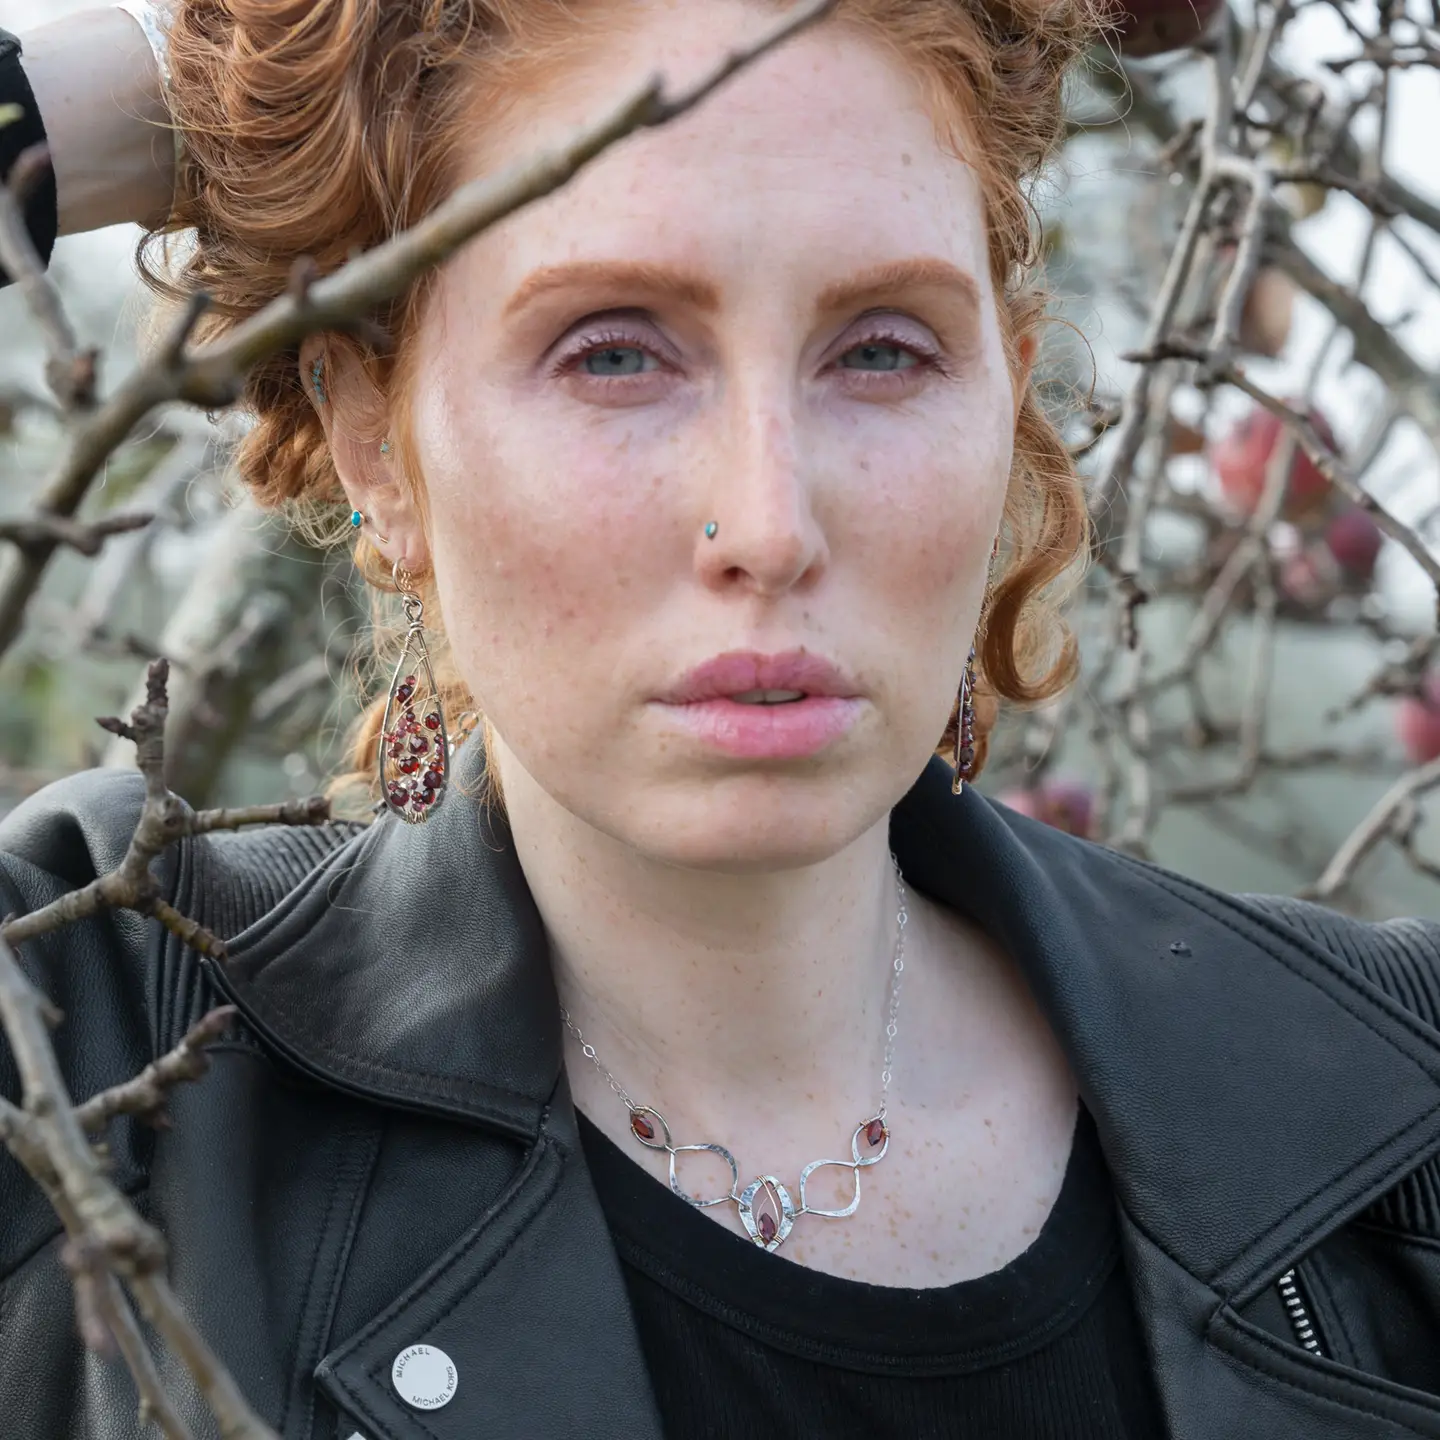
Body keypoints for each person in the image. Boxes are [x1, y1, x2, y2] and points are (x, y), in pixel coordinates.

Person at [1, 4, 1438, 1438]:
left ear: (1006, 389)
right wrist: (216, 76)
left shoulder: (1393, 1101)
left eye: (881, 351)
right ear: (379, 440)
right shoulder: (103, 1042)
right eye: (614, 353)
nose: (770, 522)